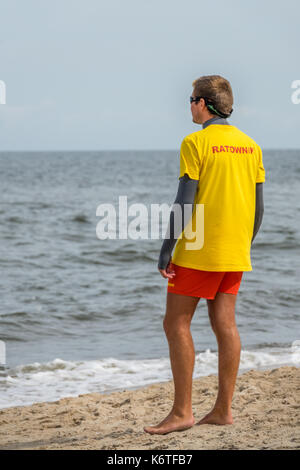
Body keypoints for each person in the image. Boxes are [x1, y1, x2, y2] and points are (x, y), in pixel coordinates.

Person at [144, 75, 265, 435]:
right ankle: (222, 410)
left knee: (176, 323)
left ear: (202, 104)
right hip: (235, 251)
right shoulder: (251, 145)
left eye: (191, 100)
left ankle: (182, 412)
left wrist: (166, 249)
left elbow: (184, 202)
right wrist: (244, 243)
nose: (189, 106)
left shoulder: (195, 143)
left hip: (199, 251)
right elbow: (259, 209)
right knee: (225, 324)